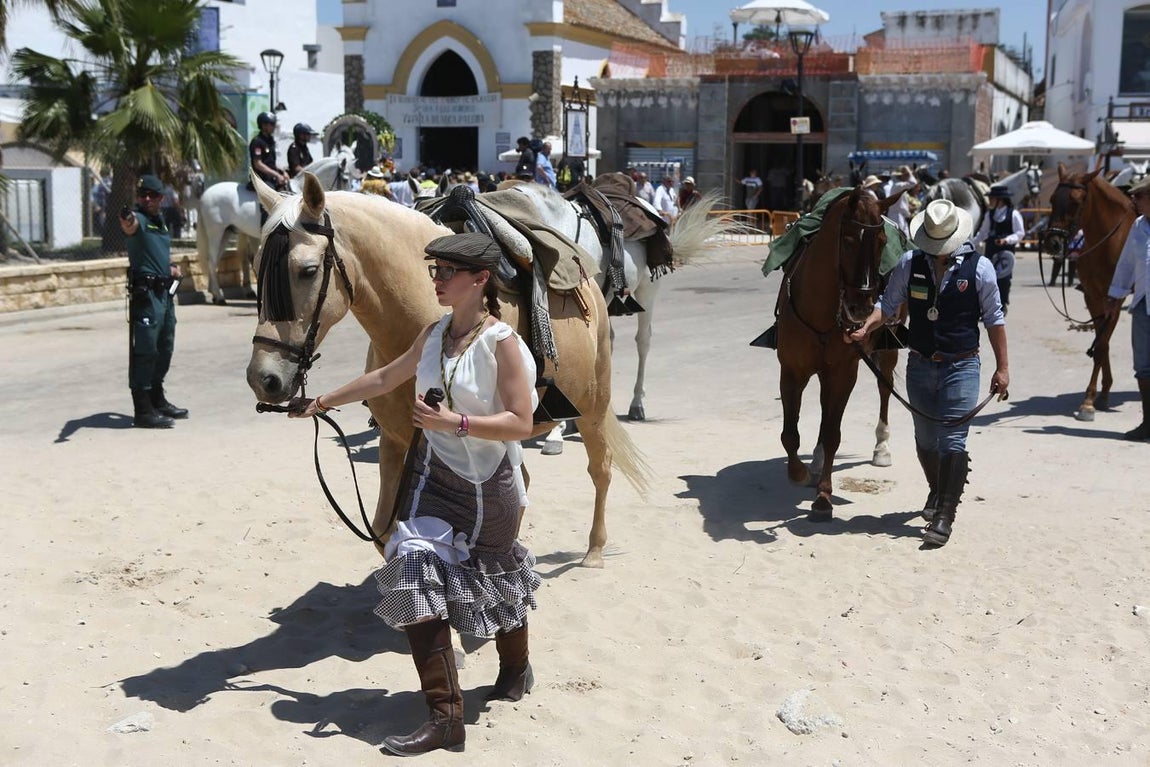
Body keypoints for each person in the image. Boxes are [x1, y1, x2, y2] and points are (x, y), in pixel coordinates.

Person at [288, 231, 541, 756]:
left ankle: (516, 665)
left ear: (481, 279)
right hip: (432, 477)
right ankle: (446, 717)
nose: (437, 280)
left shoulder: (502, 344)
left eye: (448, 272)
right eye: (435, 271)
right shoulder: (434, 333)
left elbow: (522, 422)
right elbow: (385, 376)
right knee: (410, 572)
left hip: (489, 486)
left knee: (493, 577)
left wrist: (457, 422)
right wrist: (323, 401)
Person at [847, 199, 1009, 547]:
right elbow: (888, 304)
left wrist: (1003, 368)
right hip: (920, 364)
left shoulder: (980, 269)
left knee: (952, 440)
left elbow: (995, 319)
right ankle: (939, 490)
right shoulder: (910, 263)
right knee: (924, 438)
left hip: (962, 365)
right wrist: (866, 327)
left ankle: (944, 515)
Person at [120, 174, 189, 429]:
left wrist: (170, 267)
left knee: (165, 347)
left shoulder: (160, 222)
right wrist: (126, 216)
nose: (147, 199)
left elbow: (157, 252)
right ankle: (142, 409)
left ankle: (157, 399)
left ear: (161, 198)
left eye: (152, 195)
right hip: (146, 297)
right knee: (145, 350)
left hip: (164, 295)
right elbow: (129, 224)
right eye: (142, 195)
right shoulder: (138, 219)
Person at [1105, 177, 1150, 441]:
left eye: (1139, 196)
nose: (1134, 200)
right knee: (1143, 367)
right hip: (1143, 304)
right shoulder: (1138, 226)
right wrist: (1114, 296)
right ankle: (1148, 423)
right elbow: (1126, 264)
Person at [975, 185, 1025, 315]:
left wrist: (1007, 240)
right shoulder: (989, 214)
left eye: (992, 198)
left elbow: (1020, 233)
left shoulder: (1014, 214)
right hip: (991, 250)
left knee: (1004, 279)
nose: (990, 201)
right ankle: (987, 306)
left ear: (1000, 199)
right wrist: (971, 244)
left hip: (1005, 253)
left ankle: (1002, 305)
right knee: (988, 279)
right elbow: (983, 233)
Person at [248, 112, 289, 192]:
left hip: (270, 178)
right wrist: (276, 175)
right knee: (272, 195)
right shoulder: (257, 142)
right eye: (272, 124)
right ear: (264, 125)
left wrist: (283, 172)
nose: (274, 127)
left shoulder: (270, 141)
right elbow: (258, 164)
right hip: (260, 179)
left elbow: (271, 162)